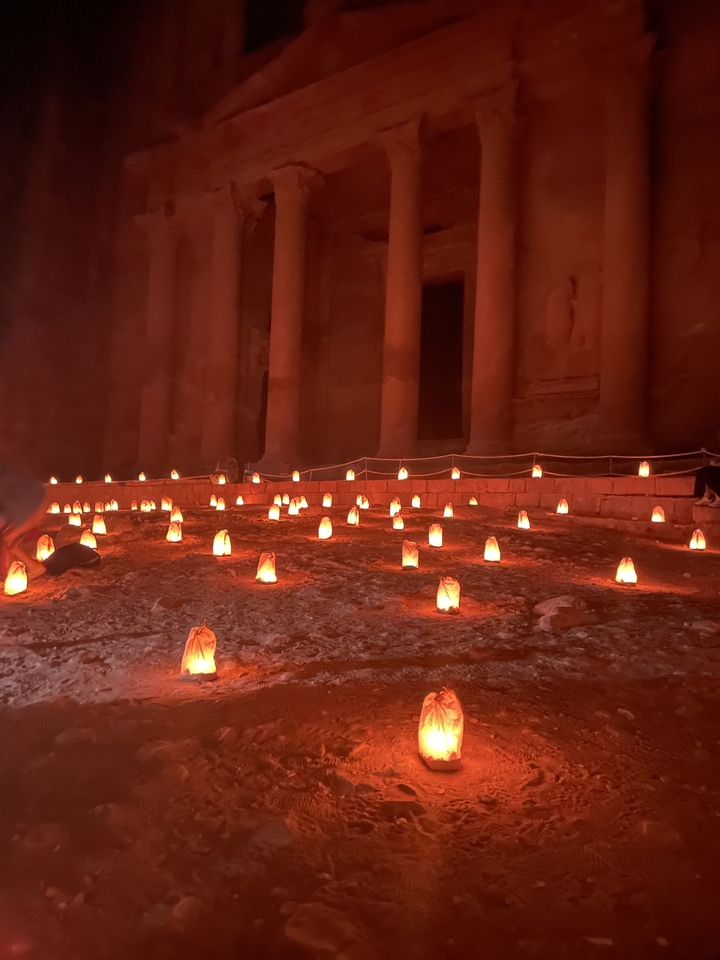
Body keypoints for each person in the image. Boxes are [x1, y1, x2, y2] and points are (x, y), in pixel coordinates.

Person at [0, 462, 49, 579]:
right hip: (34, 500)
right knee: (9, 540)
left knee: (8, 539)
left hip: (31, 503)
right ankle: (32, 566)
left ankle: (32, 566)